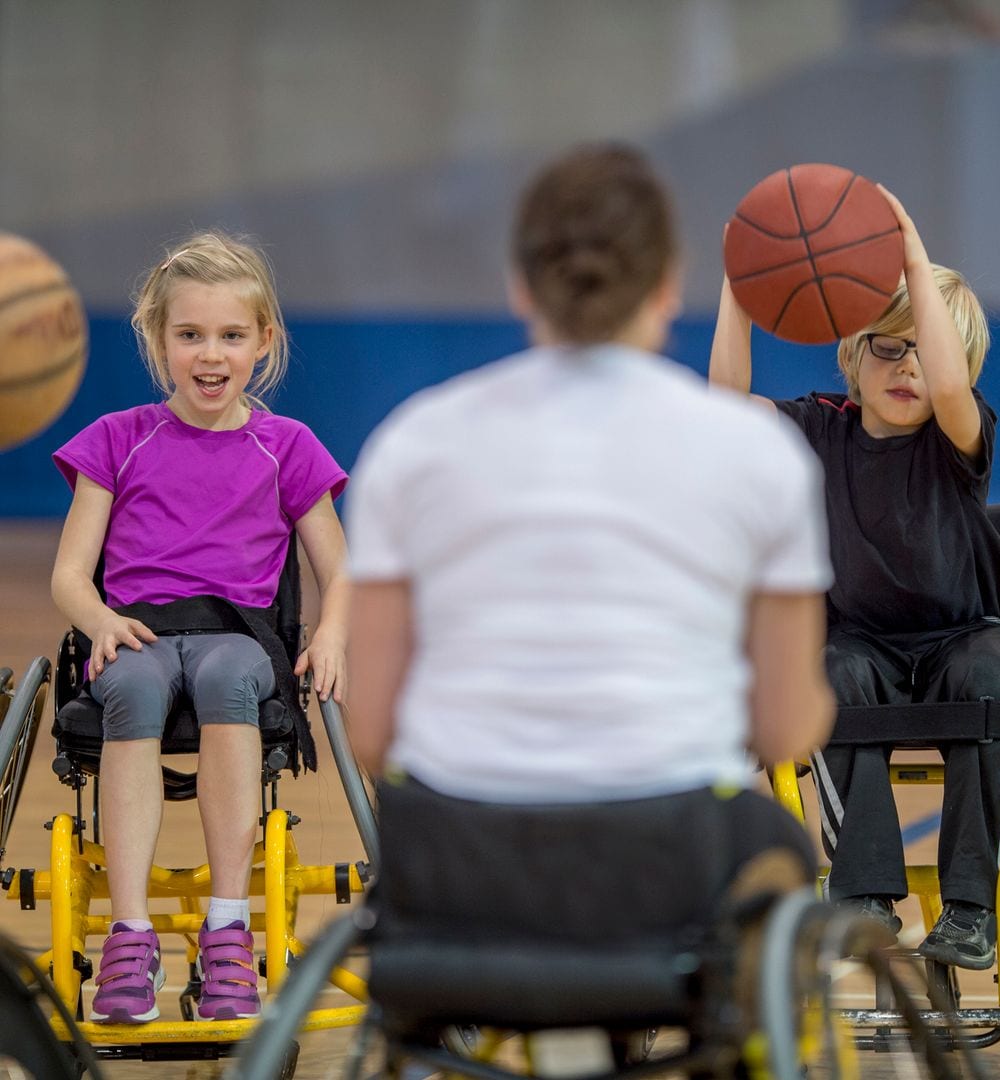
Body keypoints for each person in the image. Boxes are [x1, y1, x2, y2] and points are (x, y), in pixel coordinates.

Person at [344, 144, 835, 931]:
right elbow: (782, 728)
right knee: (780, 852)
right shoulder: (756, 453)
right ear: (669, 285)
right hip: (672, 853)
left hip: (461, 857)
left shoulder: (413, 444)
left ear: (520, 283)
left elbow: (369, 729)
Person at [709, 186, 1000, 970]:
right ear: (852, 357)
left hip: (966, 640)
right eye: (886, 348)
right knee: (824, 673)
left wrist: (916, 263)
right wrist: (742, 285)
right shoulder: (818, 427)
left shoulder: (957, 436)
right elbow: (722, 408)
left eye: (924, 353)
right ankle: (861, 897)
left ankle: (971, 909)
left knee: (996, 675)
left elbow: (952, 385)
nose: (908, 369)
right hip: (862, 648)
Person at [51, 232, 349, 1024]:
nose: (209, 354)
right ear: (158, 341)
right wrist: (100, 621)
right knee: (135, 687)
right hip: (138, 634)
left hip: (237, 640)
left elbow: (340, 571)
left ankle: (225, 927)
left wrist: (332, 636)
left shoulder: (287, 447)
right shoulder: (117, 439)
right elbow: (68, 577)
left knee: (226, 677)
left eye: (230, 335)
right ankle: (129, 933)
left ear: (263, 342)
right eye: (189, 335)